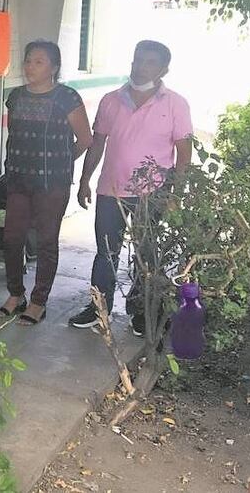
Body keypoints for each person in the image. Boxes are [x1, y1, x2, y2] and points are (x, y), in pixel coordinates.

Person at [68, 40, 192, 335]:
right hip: (111, 190)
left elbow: (184, 153)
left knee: (146, 253)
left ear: (164, 69)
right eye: (137, 60)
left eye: (149, 62)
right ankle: (99, 308)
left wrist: (176, 194)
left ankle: (140, 312)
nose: (140, 67)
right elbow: (98, 143)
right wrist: (85, 179)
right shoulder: (111, 100)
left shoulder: (175, 104)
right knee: (106, 252)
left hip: (154, 193)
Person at [0, 41, 93, 325]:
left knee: (47, 240)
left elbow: (85, 140)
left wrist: (62, 162)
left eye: (38, 61)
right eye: (28, 60)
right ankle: (16, 294)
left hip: (52, 183)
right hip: (18, 179)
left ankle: (39, 301)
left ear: (54, 67)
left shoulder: (67, 98)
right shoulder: (15, 97)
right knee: (13, 238)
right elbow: (14, 135)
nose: (30, 66)